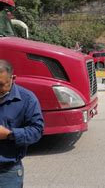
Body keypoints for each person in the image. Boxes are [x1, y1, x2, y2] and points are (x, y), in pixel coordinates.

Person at [0, 60, 44, 188]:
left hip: (7, 173)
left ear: (13, 78)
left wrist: (9, 134)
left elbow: (37, 131)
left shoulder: (27, 99)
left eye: (1, 85)